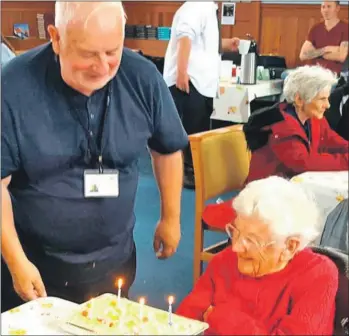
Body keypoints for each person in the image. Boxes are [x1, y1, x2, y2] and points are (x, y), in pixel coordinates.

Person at [1, 1, 188, 312]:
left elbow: (167, 148)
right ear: (56, 38)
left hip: (115, 262)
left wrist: (171, 218)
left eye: (112, 52)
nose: (102, 67)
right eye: (88, 54)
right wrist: (16, 260)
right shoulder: (13, 86)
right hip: (36, 265)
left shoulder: (142, 78)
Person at [177, 176, 338, 335]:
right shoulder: (225, 261)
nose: (236, 247)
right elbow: (183, 324)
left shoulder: (318, 275)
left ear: (290, 246)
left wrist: (221, 318)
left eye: (251, 240)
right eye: (235, 232)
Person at [201, 65, 349, 230]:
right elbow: (305, 163)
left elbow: (336, 143)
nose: (328, 105)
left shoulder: (313, 119)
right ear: (299, 100)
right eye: (322, 99)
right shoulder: (281, 127)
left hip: (287, 192)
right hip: (264, 199)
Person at [163, 1, 240, 189]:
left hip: (202, 83)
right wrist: (181, 72)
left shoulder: (208, 9)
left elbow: (202, 43)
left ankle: (194, 170)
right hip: (190, 81)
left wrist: (226, 44)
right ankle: (186, 173)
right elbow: (185, 37)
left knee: (199, 128)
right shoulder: (196, 6)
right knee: (190, 129)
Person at [299, 1, 348, 75]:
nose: (325, 10)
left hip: (331, 74)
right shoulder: (316, 28)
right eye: (323, 7)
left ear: (337, 8)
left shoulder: (345, 28)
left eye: (329, 6)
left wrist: (315, 52)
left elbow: (341, 57)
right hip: (311, 70)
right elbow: (303, 55)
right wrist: (326, 49)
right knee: (285, 75)